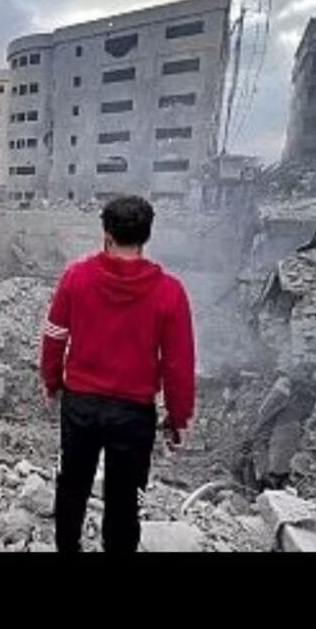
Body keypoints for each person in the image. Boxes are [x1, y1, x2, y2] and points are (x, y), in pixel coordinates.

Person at [39, 195, 196, 553]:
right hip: (133, 414)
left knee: (72, 485)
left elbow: (55, 334)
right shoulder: (170, 291)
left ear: (106, 234)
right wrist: (178, 416)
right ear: (146, 236)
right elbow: (178, 361)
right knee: (125, 499)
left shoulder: (76, 276)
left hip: (80, 405)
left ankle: (68, 547)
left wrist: (51, 382)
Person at [235, 362, 316, 490]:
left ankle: (266, 489)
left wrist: (256, 428)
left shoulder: (286, 386)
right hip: (288, 427)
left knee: (273, 467)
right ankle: (267, 488)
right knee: (275, 465)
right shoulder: (304, 389)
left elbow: (266, 411)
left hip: (283, 428)